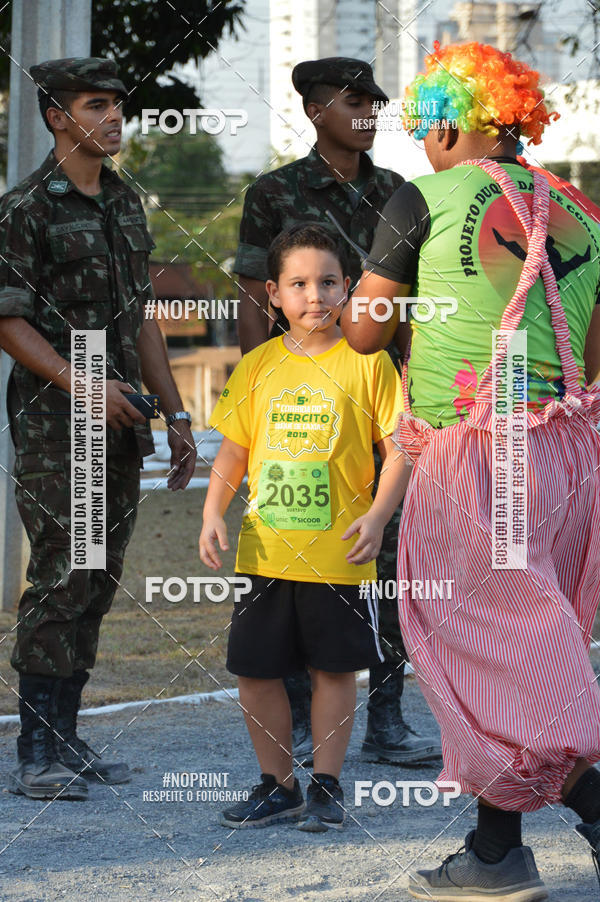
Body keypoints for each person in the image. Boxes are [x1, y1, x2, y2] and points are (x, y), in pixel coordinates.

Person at [342, 40, 600, 899]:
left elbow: (365, 331)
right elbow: (593, 355)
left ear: (453, 123)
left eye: (426, 127)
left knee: (483, 643)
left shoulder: (421, 196)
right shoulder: (583, 210)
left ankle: (591, 798)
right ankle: (495, 854)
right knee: (512, 638)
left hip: (473, 453)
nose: (422, 144)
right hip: (565, 453)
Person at [233, 55, 440, 768]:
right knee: (295, 558)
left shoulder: (403, 192)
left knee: (389, 558)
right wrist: (258, 397)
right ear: (317, 109)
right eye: (354, 99)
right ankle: (296, 719)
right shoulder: (274, 192)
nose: (369, 111)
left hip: (385, 394)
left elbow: (414, 302)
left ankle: (386, 718)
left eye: (375, 100)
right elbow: (251, 300)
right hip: (300, 407)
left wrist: (419, 388)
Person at [1, 58, 196, 801]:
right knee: (64, 572)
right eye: (95, 104)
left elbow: (142, 316)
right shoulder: (27, 207)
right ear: (57, 117)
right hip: (62, 423)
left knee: (99, 576)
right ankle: (36, 751)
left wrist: (175, 412)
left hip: (122, 420)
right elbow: (7, 319)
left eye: (119, 104)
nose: (114, 117)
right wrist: (83, 385)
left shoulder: (124, 203)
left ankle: (67, 736)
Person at [200, 224, 411, 830]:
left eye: (328, 282)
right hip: (266, 552)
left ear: (348, 288)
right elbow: (235, 452)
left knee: (332, 669)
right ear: (274, 293)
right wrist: (214, 511)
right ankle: (277, 785)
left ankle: (326, 784)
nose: (314, 294)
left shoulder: (369, 363)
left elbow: (400, 449)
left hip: (340, 552)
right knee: (255, 669)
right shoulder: (259, 366)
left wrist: (378, 516)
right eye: (299, 283)